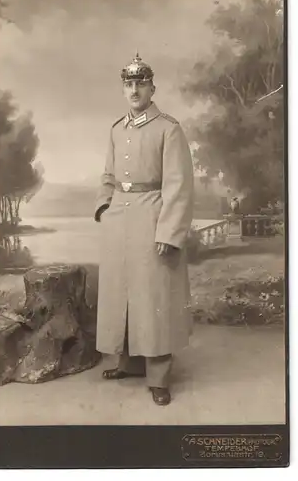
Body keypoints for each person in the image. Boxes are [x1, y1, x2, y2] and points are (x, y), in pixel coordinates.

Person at [94, 53, 194, 406]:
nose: (134, 90)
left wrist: (168, 232)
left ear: (153, 87)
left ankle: (158, 378)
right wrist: (104, 206)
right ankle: (126, 363)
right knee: (122, 293)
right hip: (119, 218)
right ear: (123, 89)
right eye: (128, 84)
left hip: (153, 214)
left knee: (153, 297)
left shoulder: (169, 128)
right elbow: (107, 176)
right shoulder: (115, 129)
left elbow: (179, 186)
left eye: (140, 83)